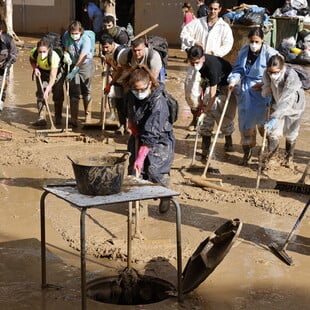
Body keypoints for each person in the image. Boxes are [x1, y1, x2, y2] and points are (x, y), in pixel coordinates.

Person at [124, 65, 175, 212]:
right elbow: (129, 109)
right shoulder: (131, 94)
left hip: (159, 138)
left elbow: (152, 133)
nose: (139, 93)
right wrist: (131, 123)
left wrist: (141, 156)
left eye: (142, 89)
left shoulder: (159, 103)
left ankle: (165, 194)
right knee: (134, 172)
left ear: (150, 84)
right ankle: (139, 207)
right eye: (136, 90)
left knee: (154, 170)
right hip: (138, 134)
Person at [227, 27, 279, 165]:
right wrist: (233, 80)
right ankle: (247, 153)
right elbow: (238, 68)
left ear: (262, 40)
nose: (254, 44)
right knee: (246, 124)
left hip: (264, 92)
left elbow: (279, 71)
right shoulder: (244, 51)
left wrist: (264, 82)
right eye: (252, 41)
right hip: (246, 91)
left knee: (265, 125)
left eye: (257, 41)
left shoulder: (270, 53)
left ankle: (269, 154)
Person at [180, 0, 233, 131]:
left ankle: (208, 123)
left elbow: (228, 44)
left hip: (211, 63)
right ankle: (195, 117)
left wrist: (214, 53)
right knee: (191, 92)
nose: (212, 11)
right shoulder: (198, 22)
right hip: (196, 63)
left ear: (220, 9)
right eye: (210, 9)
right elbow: (183, 33)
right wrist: (194, 41)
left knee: (210, 95)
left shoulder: (224, 27)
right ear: (207, 8)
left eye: (215, 9)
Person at [187, 45, 236, 159]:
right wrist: (202, 105)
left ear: (202, 58)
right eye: (192, 62)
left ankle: (228, 141)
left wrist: (205, 111)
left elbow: (213, 95)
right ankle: (205, 150)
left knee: (222, 114)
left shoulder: (212, 68)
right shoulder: (199, 65)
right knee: (207, 118)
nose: (194, 65)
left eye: (197, 62)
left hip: (226, 84)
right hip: (212, 83)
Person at [262, 55, 305, 167]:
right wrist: (267, 94)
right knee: (273, 132)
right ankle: (272, 160)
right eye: (270, 72)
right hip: (276, 99)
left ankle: (288, 159)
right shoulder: (267, 73)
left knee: (291, 132)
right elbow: (267, 85)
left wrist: (275, 118)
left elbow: (286, 101)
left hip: (294, 104)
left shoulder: (291, 76)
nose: (272, 75)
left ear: (282, 68)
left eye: (276, 72)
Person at [62, 21, 95, 127]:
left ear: (81, 32)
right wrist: (66, 54)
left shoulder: (86, 39)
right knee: (73, 92)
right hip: (72, 63)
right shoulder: (67, 35)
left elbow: (83, 56)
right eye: (72, 33)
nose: (74, 35)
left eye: (76, 33)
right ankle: (73, 119)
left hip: (85, 64)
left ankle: (88, 116)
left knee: (86, 90)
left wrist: (73, 72)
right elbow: (66, 47)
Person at [29, 37, 65, 126]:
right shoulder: (34, 52)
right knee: (41, 95)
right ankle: (42, 118)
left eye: (44, 52)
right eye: (40, 52)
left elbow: (53, 76)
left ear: (49, 50)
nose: (41, 54)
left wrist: (49, 88)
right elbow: (32, 59)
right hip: (42, 72)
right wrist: (35, 68)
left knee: (57, 95)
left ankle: (58, 118)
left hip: (56, 73)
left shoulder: (54, 57)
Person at [100, 33, 128, 133]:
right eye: (104, 48)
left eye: (107, 47)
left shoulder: (120, 52)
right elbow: (108, 63)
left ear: (112, 44)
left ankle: (130, 128)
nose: (105, 50)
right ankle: (122, 125)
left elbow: (120, 71)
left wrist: (110, 84)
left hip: (126, 80)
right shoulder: (105, 51)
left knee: (127, 104)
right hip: (116, 79)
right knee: (119, 104)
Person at [0, 20, 18, 112]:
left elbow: (14, 54)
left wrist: (9, 61)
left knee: (1, 90)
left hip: (3, 70)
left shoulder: (7, 40)